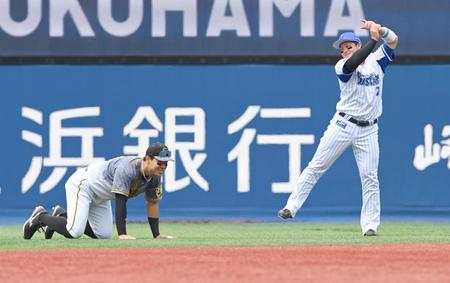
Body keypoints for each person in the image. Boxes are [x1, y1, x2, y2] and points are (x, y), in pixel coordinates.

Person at [278, 20, 399, 236]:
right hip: (343, 124)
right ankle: (291, 207)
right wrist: (373, 39)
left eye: (349, 47)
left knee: (370, 177)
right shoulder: (342, 66)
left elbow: (394, 41)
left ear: (358, 46)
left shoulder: (377, 60)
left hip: (369, 129)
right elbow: (353, 64)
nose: (345, 52)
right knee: (317, 166)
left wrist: (380, 31)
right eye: (342, 50)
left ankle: (370, 226)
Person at [23, 142, 175, 240]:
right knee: (74, 232)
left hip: (101, 196)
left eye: (166, 164)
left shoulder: (155, 177)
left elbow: (152, 204)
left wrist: (157, 235)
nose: (163, 167)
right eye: (159, 162)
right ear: (147, 159)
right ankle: (40, 217)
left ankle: (61, 215)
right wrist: (122, 234)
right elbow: (121, 201)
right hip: (83, 185)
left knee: (103, 234)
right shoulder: (127, 169)